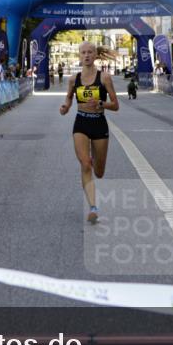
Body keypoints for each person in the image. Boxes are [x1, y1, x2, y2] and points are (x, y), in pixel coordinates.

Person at [59, 42, 119, 224]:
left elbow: (116, 105)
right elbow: (69, 99)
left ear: (95, 55)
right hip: (81, 123)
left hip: (99, 124)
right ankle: (93, 207)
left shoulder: (105, 78)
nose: (86, 55)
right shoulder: (73, 79)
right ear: (79, 55)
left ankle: (95, 165)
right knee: (85, 165)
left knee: (99, 171)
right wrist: (65, 107)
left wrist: (102, 104)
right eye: (83, 52)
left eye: (90, 52)